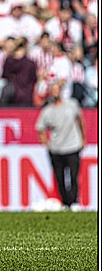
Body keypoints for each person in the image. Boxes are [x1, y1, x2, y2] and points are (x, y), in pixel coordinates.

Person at [36, 81, 86, 210]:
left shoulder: (71, 105)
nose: (55, 92)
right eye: (52, 90)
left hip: (72, 146)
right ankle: (65, 202)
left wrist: (82, 138)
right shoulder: (48, 111)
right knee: (60, 177)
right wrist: (47, 144)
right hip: (56, 149)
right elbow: (40, 128)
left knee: (74, 176)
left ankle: (74, 202)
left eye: (56, 89)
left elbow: (80, 120)